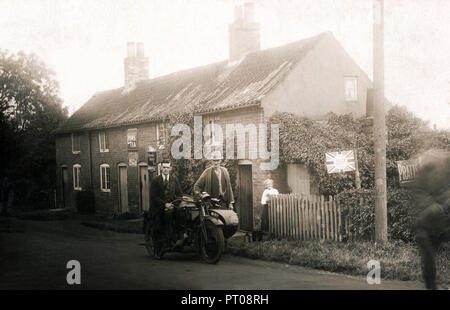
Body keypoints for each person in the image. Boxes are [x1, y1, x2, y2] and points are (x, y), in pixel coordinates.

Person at [149, 159, 183, 258]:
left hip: (172, 206)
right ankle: (157, 251)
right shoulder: (156, 180)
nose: (166, 169)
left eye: (167, 167)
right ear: (161, 168)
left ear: (170, 168)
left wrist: (175, 203)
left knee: (181, 218)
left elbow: (179, 194)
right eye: (164, 167)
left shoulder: (174, 180)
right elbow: (154, 196)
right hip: (158, 208)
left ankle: (177, 241)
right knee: (158, 226)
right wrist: (164, 204)